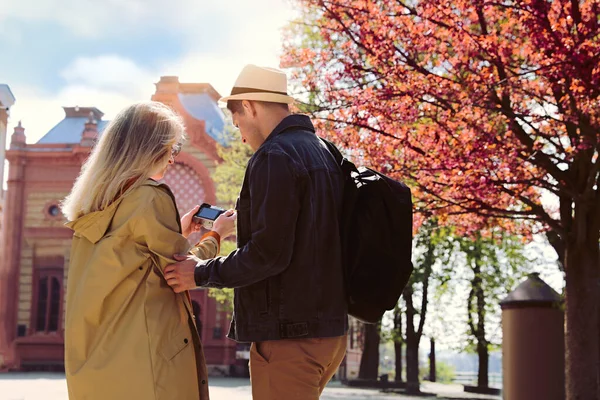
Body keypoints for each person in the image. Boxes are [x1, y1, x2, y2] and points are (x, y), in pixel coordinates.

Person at [164, 65, 348, 399]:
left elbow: (268, 254)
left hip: (289, 336)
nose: (241, 136)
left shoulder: (273, 156)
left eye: (237, 124)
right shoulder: (325, 151)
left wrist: (199, 273)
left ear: (249, 106)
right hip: (329, 333)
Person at [61, 101, 236, 400]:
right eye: (171, 149)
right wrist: (217, 235)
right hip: (148, 367)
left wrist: (176, 233)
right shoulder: (149, 197)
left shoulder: (93, 205)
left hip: (98, 369)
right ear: (149, 148)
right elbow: (180, 273)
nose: (172, 159)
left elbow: (128, 259)